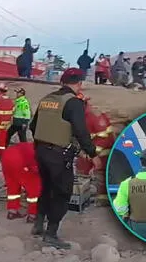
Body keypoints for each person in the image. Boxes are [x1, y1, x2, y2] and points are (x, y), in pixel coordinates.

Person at [29, 67, 102, 249]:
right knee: (62, 193)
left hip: (41, 150)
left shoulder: (47, 100)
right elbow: (81, 131)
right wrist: (93, 154)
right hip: (58, 154)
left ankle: (38, 224)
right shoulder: (73, 102)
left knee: (46, 188)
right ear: (79, 84)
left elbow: (33, 126)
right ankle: (51, 233)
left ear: (62, 82)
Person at [1, 142, 41, 223]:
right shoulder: (42, 153)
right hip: (21, 161)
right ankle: (33, 216)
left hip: (7, 157)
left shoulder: (32, 146)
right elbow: (35, 169)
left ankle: (12, 212)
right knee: (34, 190)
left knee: (12, 187)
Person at [0, 83, 15, 159]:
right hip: (5, 126)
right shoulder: (10, 101)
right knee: (2, 144)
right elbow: (12, 112)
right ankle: (1, 157)